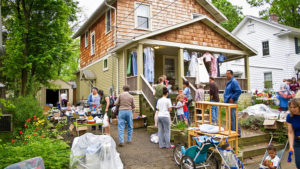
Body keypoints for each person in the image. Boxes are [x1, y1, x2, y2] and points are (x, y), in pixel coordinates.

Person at [224, 70, 242, 136]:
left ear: (231, 74)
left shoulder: (234, 81)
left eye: (228, 74)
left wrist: (232, 98)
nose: (226, 75)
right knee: (231, 118)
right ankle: (233, 132)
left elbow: (239, 91)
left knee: (233, 118)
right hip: (228, 102)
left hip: (232, 102)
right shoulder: (229, 82)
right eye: (226, 74)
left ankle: (236, 133)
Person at [287, 98, 300, 168]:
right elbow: (290, 132)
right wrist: (291, 146)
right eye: (291, 107)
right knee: (298, 163)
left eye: (294, 107)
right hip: (297, 142)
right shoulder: (290, 117)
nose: (292, 109)